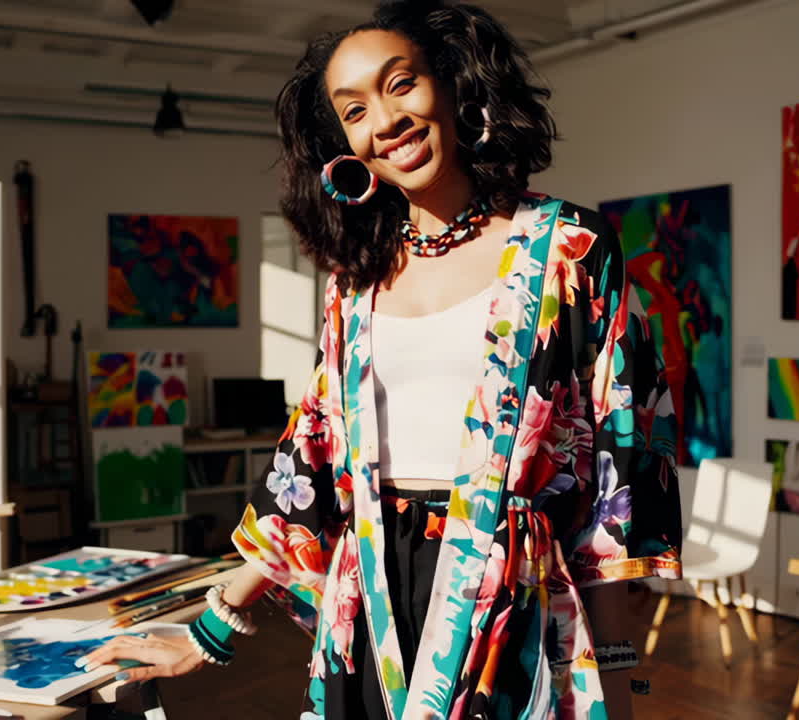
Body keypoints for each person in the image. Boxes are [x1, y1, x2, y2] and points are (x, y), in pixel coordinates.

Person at [79, 1, 682, 717]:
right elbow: (310, 458)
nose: (385, 121)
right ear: (343, 141)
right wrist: (209, 630)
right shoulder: (354, 277)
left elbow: (621, 455)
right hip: (369, 597)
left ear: (456, 86)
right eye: (354, 109)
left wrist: (613, 667)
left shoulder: (570, 245)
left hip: (510, 603)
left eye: (402, 85)